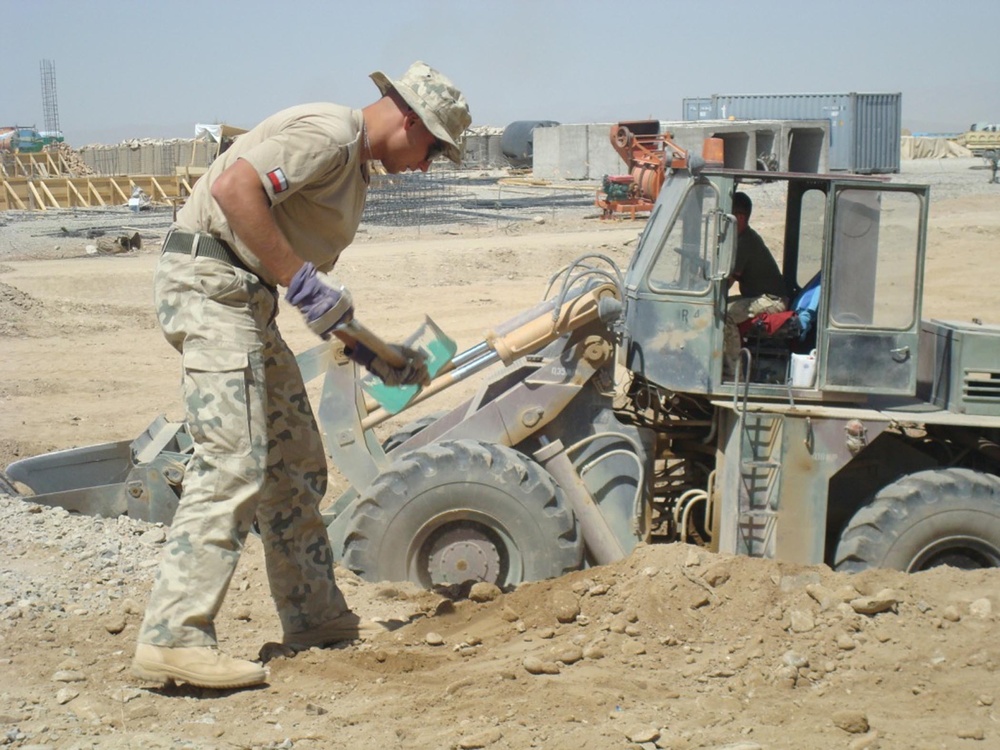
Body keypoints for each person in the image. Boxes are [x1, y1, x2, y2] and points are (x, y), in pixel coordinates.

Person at [131, 61, 471, 690]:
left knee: (293, 463)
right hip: (210, 287)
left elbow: (308, 290)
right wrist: (303, 284)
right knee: (234, 458)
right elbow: (237, 190)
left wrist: (374, 353)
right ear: (407, 116)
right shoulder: (330, 135)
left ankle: (316, 621)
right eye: (431, 148)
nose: (427, 165)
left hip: (246, 298)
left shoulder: (352, 169)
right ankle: (172, 637)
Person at [723, 191, 789, 377]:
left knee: (725, 314)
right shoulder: (740, 239)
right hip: (758, 297)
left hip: (772, 301)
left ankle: (734, 373)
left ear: (739, 217)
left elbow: (727, 282)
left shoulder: (745, 242)